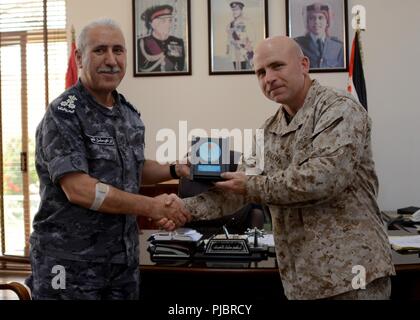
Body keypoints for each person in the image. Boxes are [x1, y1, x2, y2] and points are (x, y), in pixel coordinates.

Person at [179, 36, 395, 300]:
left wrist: (250, 185)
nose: (268, 78)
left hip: (351, 277)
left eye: (277, 66)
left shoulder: (339, 109)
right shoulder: (268, 130)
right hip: (301, 281)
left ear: (304, 65)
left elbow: (322, 179)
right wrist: (182, 209)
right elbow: (238, 190)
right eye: (260, 72)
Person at [25, 19, 191, 300]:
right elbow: (79, 189)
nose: (111, 60)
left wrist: (175, 168)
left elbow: (130, 169)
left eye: (118, 50)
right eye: (100, 50)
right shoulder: (64, 114)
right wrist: (152, 206)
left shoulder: (127, 113)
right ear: (79, 57)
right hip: (69, 263)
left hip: (121, 261)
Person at [294, 3, 344, 69]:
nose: (316, 22)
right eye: (312, 18)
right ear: (307, 22)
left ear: (327, 22)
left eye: (321, 18)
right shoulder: (298, 44)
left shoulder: (338, 46)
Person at [137, 5, 185, 72]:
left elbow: (180, 68)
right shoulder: (141, 42)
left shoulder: (178, 42)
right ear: (153, 24)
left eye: (170, 21)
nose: (169, 24)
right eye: (163, 21)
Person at [226, 1, 256, 70]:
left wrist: (244, 43)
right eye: (233, 10)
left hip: (245, 53)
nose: (234, 12)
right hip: (234, 54)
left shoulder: (247, 22)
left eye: (236, 9)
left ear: (241, 10)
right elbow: (229, 39)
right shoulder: (230, 25)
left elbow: (252, 37)